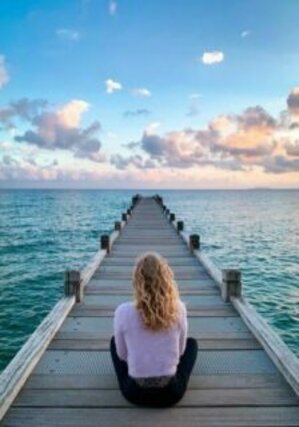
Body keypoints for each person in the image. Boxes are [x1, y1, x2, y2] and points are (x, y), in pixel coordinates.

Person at [110, 252, 198, 407]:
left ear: (137, 281)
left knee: (113, 342)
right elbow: (181, 351)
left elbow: (122, 356)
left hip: (135, 394)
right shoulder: (178, 309)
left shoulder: (122, 311)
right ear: (166, 279)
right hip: (171, 394)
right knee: (192, 345)